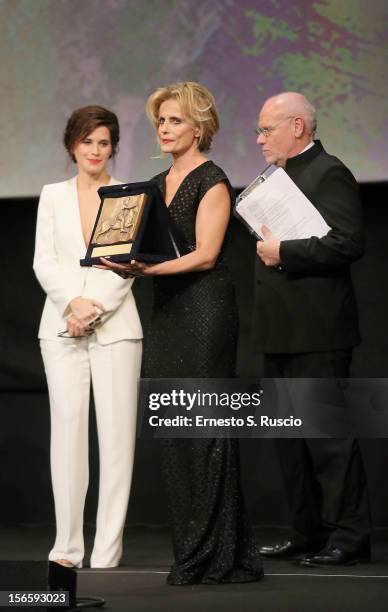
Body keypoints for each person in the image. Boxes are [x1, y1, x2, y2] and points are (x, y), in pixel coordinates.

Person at [101, 82, 263, 585]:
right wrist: (128, 264)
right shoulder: (154, 181)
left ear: (199, 126)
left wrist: (146, 272)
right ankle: (193, 547)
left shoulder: (212, 179)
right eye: (160, 122)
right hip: (168, 311)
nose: (165, 129)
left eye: (174, 121)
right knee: (175, 428)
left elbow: (206, 254)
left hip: (206, 310)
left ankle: (215, 553)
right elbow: (153, 249)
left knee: (206, 428)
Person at [253, 92, 371, 566]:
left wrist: (286, 252)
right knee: (290, 442)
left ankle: (349, 537)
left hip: (318, 331)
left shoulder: (330, 172)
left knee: (328, 439)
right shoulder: (278, 178)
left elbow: (347, 242)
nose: (259, 139)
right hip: (280, 329)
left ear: (297, 126)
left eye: (266, 129)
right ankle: (306, 531)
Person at [33, 106, 142, 569]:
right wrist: (72, 305)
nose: (95, 151)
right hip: (61, 327)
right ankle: (68, 548)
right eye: (87, 142)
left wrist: (91, 308)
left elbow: (127, 267)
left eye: (103, 142)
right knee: (68, 438)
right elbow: (45, 261)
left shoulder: (128, 196)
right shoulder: (52, 195)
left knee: (117, 442)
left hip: (115, 328)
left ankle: (107, 552)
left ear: (113, 147)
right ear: (71, 145)